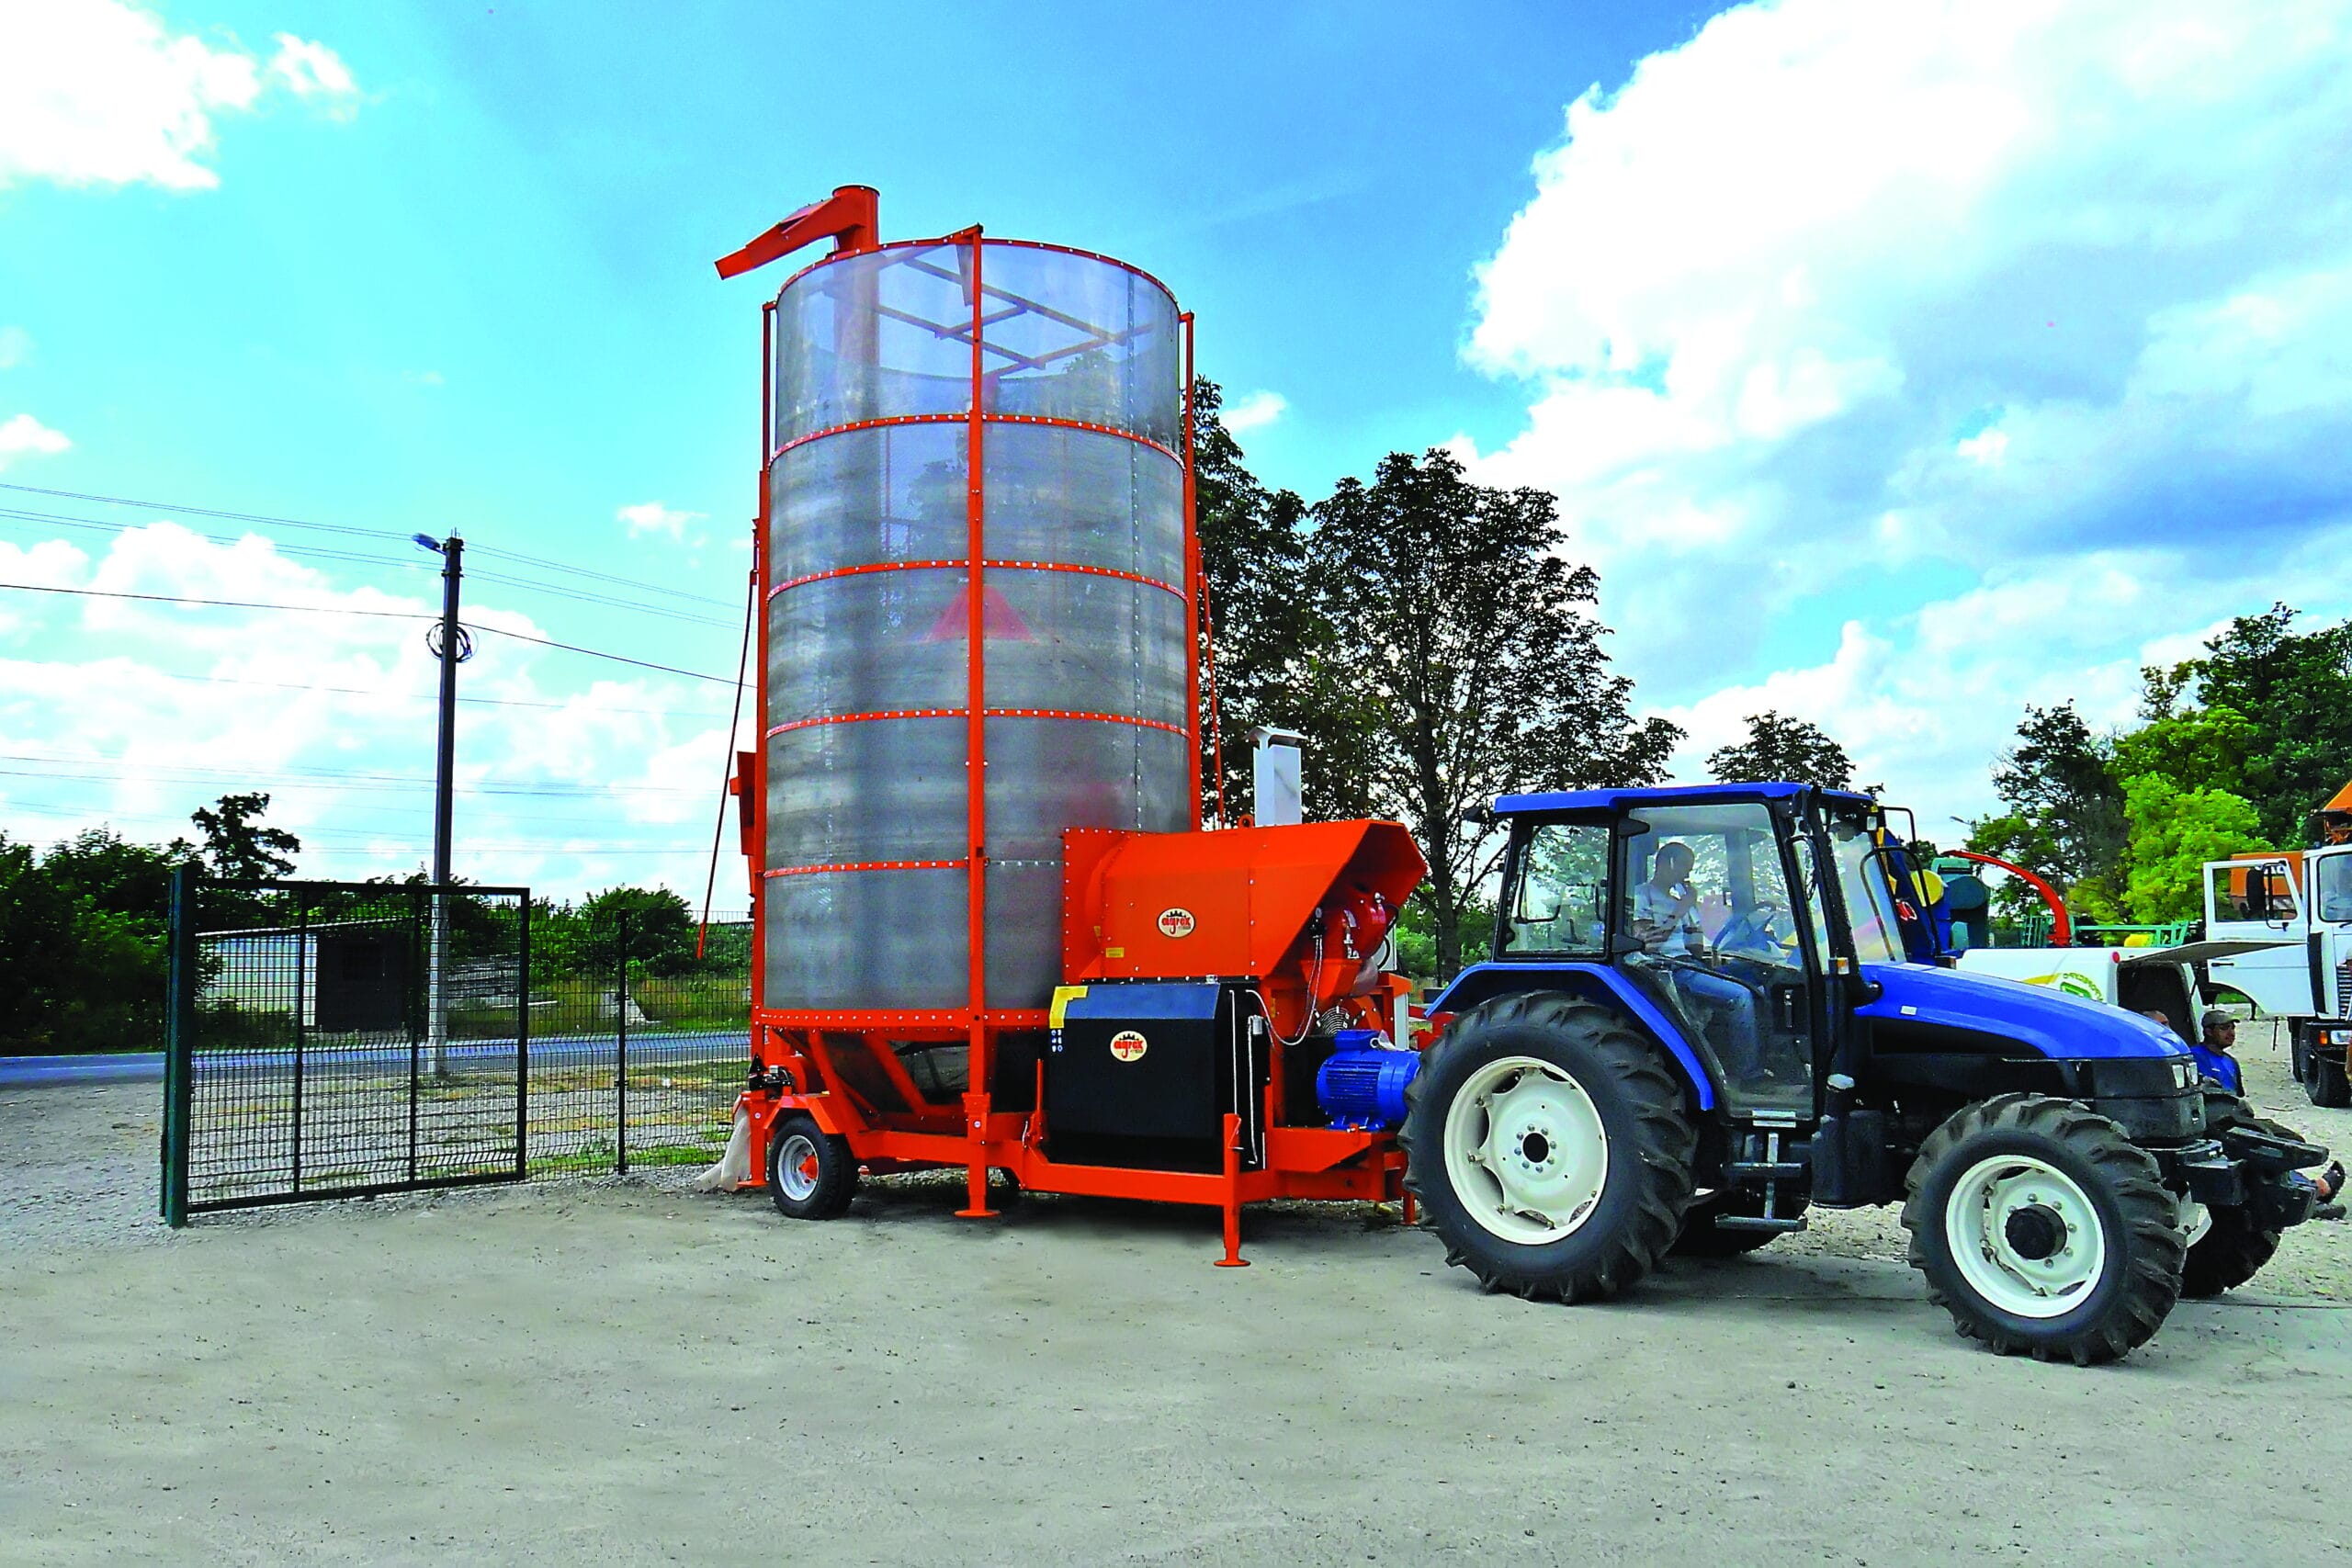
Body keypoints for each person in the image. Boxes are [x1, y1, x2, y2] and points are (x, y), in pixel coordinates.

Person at [1631, 841, 1769, 1088]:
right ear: (1669, 863)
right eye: (1686, 867)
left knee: (1756, 978)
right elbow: (1649, 943)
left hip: (1690, 962)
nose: (1688, 874)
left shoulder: (1679, 900)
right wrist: (1681, 908)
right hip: (1669, 968)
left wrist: (1692, 913)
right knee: (1741, 996)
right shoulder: (1643, 894)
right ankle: (1748, 1074)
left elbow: (1694, 947)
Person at [2199, 1010, 2346, 1217]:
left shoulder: (2230, 1061)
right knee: (2266, 1149)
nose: (2231, 1033)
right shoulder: (2196, 1057)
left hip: (2238, 1118)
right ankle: (2309, 1192)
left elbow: (2238, 1097)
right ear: (2208, 1031)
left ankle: (2302, 1188)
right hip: (2218, 1123)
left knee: (2290, 1141)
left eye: (2232, 1028)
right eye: (2224, 1028)